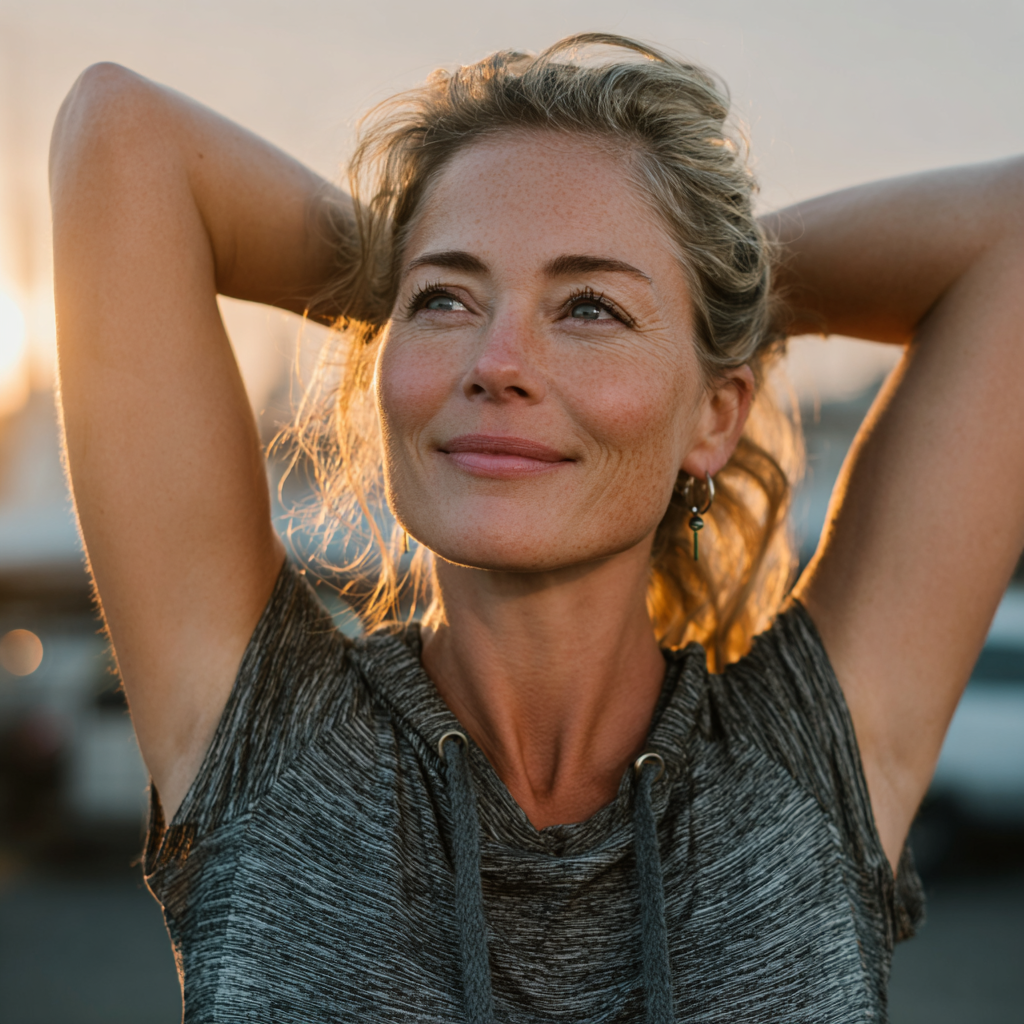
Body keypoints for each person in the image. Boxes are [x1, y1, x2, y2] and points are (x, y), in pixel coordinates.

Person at [49, 32, 1024, 1023]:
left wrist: (712, 284)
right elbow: (122, 135)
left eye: (589, 306)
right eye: (443, 299)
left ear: (714, 416)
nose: (496, 359)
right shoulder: (265, 740)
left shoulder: (806, 765)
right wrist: (446, 272)